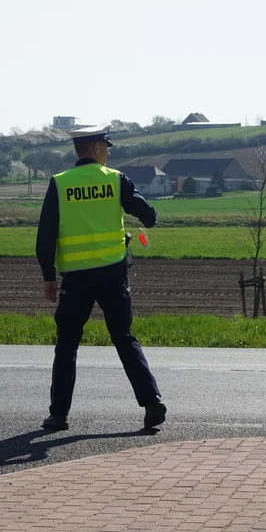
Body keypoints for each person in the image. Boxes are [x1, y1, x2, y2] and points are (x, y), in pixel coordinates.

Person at [35, 124, 166, 431]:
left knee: (67, 344)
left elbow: (46, 234)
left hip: (76, 279)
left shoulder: (60, 183)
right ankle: (152, 402)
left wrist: (48, 276)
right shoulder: (116, 180)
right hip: (113, 274)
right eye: (106, 146)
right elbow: (148, 215)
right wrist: (149, 217)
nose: (108, 151)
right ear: (95, 148)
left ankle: (59, 415)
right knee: (124, 337)